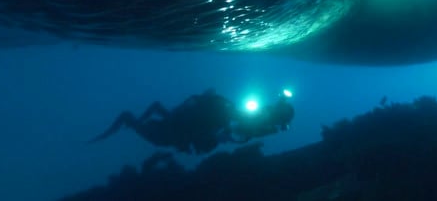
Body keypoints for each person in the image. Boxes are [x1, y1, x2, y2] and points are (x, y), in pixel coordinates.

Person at [89, 89, 295, 154]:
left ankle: (103, 137)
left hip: (168, 134)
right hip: (174, 126)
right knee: (152, 108)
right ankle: (128, 127)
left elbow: (234, 135)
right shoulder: (253, 117)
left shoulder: (259, 127)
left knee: (127, 115)